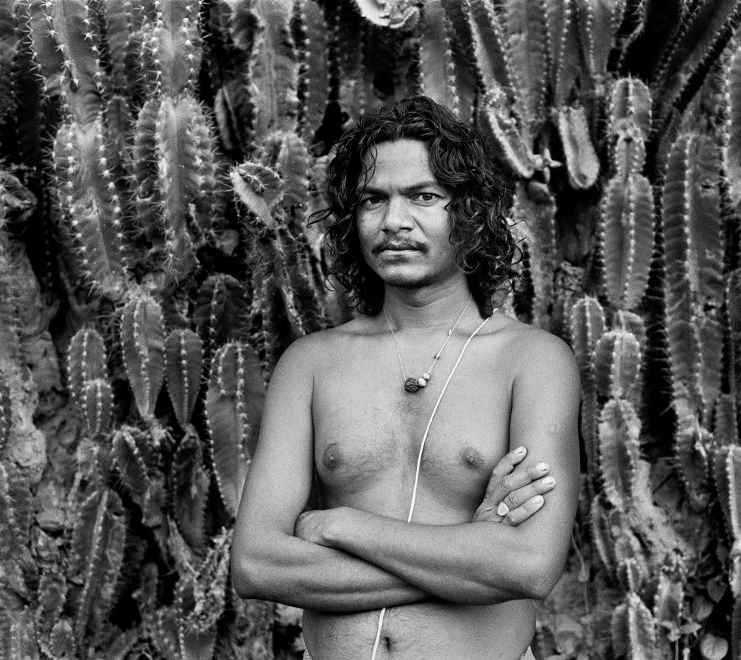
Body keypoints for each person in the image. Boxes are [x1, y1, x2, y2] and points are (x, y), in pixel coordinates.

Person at [231, 96, 580, 660]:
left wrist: (341, 526)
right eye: (373, 200)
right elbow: (256, 563)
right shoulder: (311, 364)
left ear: (467, 212)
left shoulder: (533, 362)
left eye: (424, 196)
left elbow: (530, 566)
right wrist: (472, 556)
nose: (394, 221)